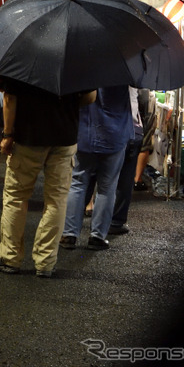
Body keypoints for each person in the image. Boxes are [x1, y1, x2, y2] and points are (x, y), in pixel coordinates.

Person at [0, 78, 95, 277]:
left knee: (16, 197)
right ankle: (45, 263)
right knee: (57, 200)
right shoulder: (74, 54)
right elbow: (90, 96)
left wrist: (8, 134)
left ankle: (10, 258)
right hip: (65, 136)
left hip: (28, 136)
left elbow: (10, 97)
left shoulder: (22, 52)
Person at [60, 85, 134, 250]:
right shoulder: (123, 66)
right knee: (107, 188)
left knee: (77, 182)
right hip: (115, 132)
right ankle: (97, 236)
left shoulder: (86, 63)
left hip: (85, 130)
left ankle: (69, 234)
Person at [109, 88, 156, 235]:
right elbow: (144, 105)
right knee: (122, 180)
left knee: (98, 179)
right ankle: (115, 222)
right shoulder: (135, 76)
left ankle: (72, 230)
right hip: (130, 130)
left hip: (103, 130)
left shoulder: (98, 72)